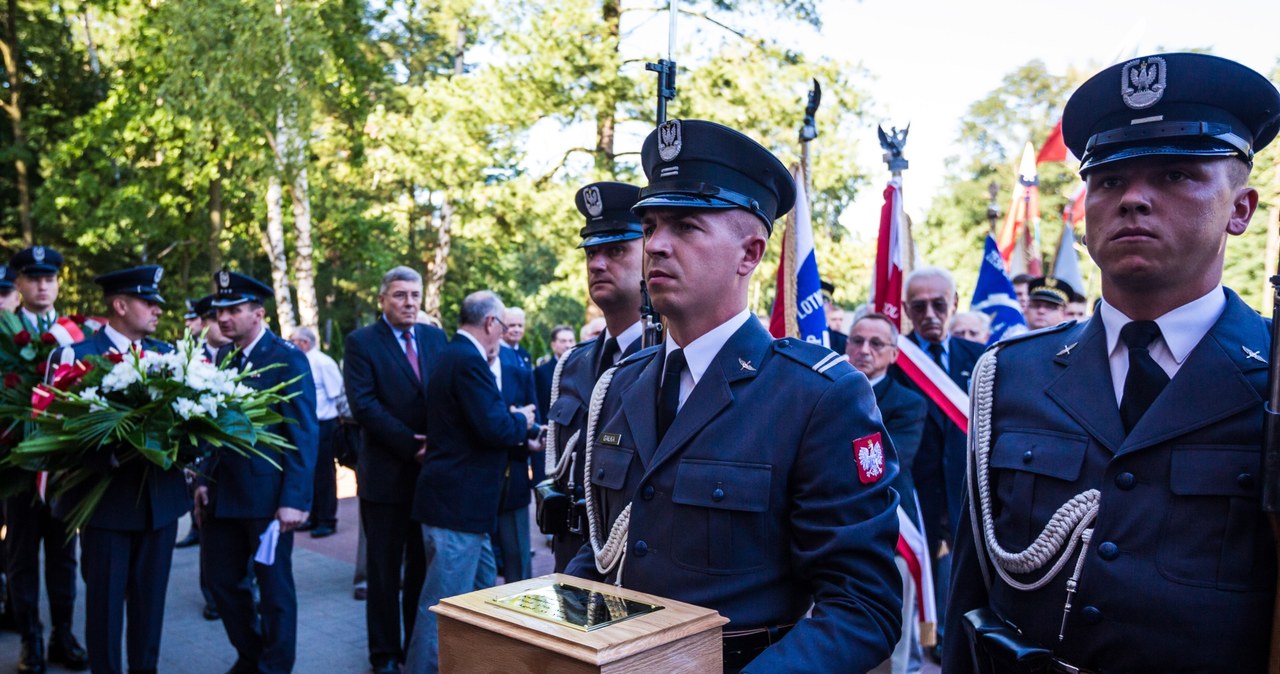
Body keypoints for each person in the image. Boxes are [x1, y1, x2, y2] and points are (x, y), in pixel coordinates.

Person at [945, 52, 1280, 673]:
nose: (1133, 200)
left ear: (1240, 209)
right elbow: (972, 596)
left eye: (1176, 176)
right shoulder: (1011, 375)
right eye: (1108, 182)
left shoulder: (1275, 376)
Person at [565, 119, 902, 673]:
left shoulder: (817, 396)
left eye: (686, 226)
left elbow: (863, 606)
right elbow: (605, 550)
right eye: (649, 226)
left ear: (750, 253)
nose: (656, 246)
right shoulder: (624, 382)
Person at [53, 265, 187, 674]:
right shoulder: (77, 356)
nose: (157, 311)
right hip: (106, 506)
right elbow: (52, 430)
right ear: (120, 304)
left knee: (150, 610)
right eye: (149, 302)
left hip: (159, 506)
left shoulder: (169, 356)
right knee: (105, 611)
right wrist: (94, 452)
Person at [403, 291, 536, 674]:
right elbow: (492, 426)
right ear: (491, 323)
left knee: (483, 599)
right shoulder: (467, 360)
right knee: (443, 607)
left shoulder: (453, 355)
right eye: (502, 325)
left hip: (465, 508)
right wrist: (523, 420)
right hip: (456, 507)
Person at [194, 270, 317, 674]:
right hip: (223, 496)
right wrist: (202, 481)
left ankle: (275, 667)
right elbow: (215, 429)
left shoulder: (286, 358)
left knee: (274, 589)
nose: (223, 317)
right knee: (223, 584)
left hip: (268, 501)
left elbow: (302, 434)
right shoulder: (224, 358)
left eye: (233, 309)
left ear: (259, 314)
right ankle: (251, 656)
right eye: (219, 310)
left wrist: (294, 501)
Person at [344, 266, 447, 674]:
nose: (409, 303)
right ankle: (384, 655)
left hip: (428, 477)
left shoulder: (434, 338)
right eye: (400, 295)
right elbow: (364, 406)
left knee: (420, 573)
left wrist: (438, 444)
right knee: (385, 575)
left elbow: (444, 394)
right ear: (383, 299)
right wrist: (412, 444)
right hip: (386, 478)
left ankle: (413, 650)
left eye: (415, 295)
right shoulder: (361, 342)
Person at [542, 181, 647, 573]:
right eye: (591, 252)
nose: (597, 264)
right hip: (569, 554)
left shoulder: (666, 363)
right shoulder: (574, 364)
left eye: (617, 250)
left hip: (624, 570)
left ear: (650, 253)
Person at [889, 265, 984, 654]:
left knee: (962, 574)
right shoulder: (894, 362)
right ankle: (925, 644)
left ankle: (956, 641)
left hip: (967, 489)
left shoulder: (981, 359)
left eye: (939, 304)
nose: (930, 314)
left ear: (956, 304)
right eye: (919, 306)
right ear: (906, 310)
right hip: (916, 491)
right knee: (919, 574)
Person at [3, 245, 89, 674]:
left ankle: (63, 635)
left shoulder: (76, 335)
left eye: (49, 278)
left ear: (58, 283)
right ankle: (30, 641)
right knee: (20, 556)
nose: (42, 285)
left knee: (63, 555)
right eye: (33, 278)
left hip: (64, 469)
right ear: (17, 284)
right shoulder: (5, 331)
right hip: (18, 468)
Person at [848, 312, 929, 674]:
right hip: (832, 518)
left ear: (894, 354)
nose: (864, 350)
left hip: (891, 520)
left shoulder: (908, 403)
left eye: (876, 343)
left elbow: (890, 462)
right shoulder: (822, 389)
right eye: (857, 341)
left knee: (894, 618)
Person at [491, 340, 541, 583]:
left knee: (517, 559)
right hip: (472, 487)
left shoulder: (518, 370)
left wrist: (527, 436)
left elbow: (533, 415)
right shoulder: (465, 367)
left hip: (514, 476)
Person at [289, 326, 346, 538]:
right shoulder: (302, 361)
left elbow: (336, 392)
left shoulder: (323, 362)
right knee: (310, 472)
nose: (291, 344)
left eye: (293, 340)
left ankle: (327, 519)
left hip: (325, 423)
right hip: (308, 425)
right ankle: (313, 515)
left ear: (304, 342)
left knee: (324, 473)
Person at [533, 324, 575, 417]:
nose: (568, 345)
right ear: (553, 345)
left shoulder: (581, 369)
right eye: (563, 341)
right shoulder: (541, 372)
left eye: (571, 341)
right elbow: (541, 404)